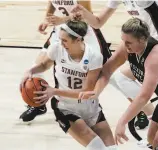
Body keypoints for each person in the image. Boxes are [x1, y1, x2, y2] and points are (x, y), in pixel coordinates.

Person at [78, 18, 158, 150]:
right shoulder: (127, 48)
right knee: (152, 139)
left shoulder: (156, 56)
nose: (125, 45)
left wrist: (122, 122)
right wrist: (96, 91)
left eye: (129, 42)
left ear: (142, 40)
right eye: (123, 40)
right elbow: (106, 70)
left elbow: (144, 97)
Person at [20, 20, 118, 150]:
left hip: (91, 108)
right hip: (65, 108)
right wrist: (31, 70)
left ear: (77, 39)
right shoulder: (57, 48)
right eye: (60, 39)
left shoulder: (94, 56)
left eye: (65, 40)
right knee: (98, 148)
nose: (61, 43)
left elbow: (86, 92)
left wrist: (54, 91)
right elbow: (44, 65)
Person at [19, 0, 113, 122]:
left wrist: (63, 20)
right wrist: (47, 19)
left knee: (111, 74)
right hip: (62, 31)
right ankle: (38, 105)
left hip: (82, 33)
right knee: (36, 68)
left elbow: (87, 16)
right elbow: (52, 2)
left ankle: (140, 106)